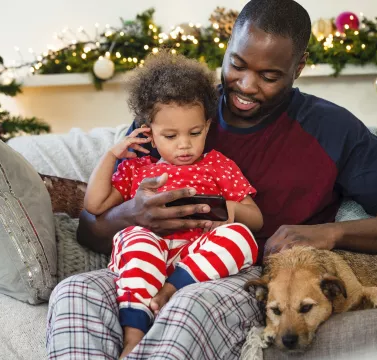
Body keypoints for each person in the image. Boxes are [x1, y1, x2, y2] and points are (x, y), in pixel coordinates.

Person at [46, 1, 377, 359]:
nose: (246, 85)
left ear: (298, 68)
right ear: (227, 46)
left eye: (268, 75)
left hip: (236, 271)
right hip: (145, 260)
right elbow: (89, 229)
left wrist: (329, 234)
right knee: (73, 292)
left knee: (188, 308)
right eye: (237, 64)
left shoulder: (332, 129)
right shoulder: (177, 112)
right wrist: (133, 214)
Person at [83, 51, 262, 358]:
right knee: (134, 237)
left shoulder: (218, 164)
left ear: (206, 127)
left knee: (242, 237)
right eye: (170, 135)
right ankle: (134, 336)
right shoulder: (137, 169)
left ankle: (172, 289)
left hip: (198, 260)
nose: (184, 144)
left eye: (194, 133)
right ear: (148, 132)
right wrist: (111, 156)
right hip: (150, 252)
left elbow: (256, 219)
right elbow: (95, 204)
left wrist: (226, 212)